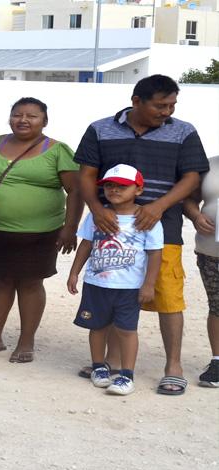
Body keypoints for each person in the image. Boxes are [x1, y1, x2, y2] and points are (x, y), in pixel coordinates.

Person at [74, 75, 209, 395]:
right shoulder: (100, 128)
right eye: (160, 105)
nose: (167, 111)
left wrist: (158, 207)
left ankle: (173, 366)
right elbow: (86, 175)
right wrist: (96, 207)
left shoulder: (184, 131)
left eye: (172, 105)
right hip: (111, 227)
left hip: (163, 230)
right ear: (136, 101)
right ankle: (110, 362)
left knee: (168, 297)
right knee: (111, 291)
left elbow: (192, 178)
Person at [0, 98, 81, 363]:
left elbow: (75, 191)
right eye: (17, 114)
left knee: (30, 284)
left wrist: (70, 228)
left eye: (32, 116)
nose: (23, 120)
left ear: (44, 121)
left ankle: (26, 342)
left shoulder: (58, 150)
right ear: (9, 118)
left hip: (40, 232)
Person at [67, 165, 163, 396]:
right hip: (96, 284)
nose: (114, 190)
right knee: (96, 327)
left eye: (122, 186)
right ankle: (99, 366)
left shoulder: (146, 220)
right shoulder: (96, 216)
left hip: (129, 288)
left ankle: (126, 375)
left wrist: (149, 284)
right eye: (109, 185)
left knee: (127, 330)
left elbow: (155, 253)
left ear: (138, 190)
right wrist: (74, 272)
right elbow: (86, 244)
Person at [184, 155, 219, 388]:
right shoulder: (210, 165)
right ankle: (218, 360)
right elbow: (189, 199)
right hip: (211, 251)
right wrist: (196, 216)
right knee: (217, 305)